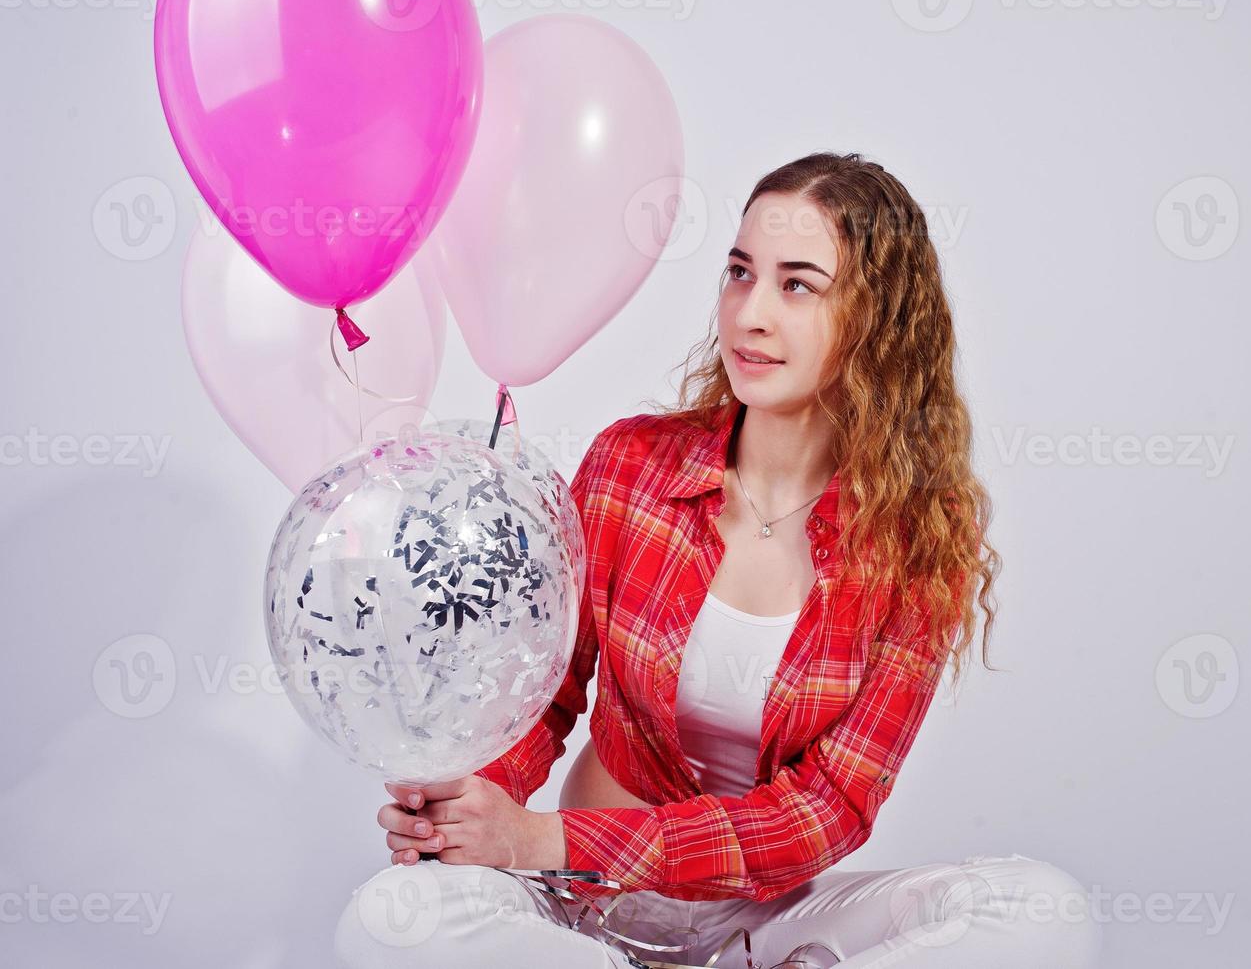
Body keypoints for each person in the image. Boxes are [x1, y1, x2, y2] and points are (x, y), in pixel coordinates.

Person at [334, 152, 1102, 967]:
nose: (750, 315)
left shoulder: (917, 539)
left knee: (1041, 914)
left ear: (876, 319)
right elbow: (545, 693)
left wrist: (540, 835)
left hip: (767, 922)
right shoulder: (630, 465)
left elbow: (827, 812)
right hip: (587, 904)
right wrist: (471, 809)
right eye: (740, 274)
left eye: (796, 285)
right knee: (388, 919)